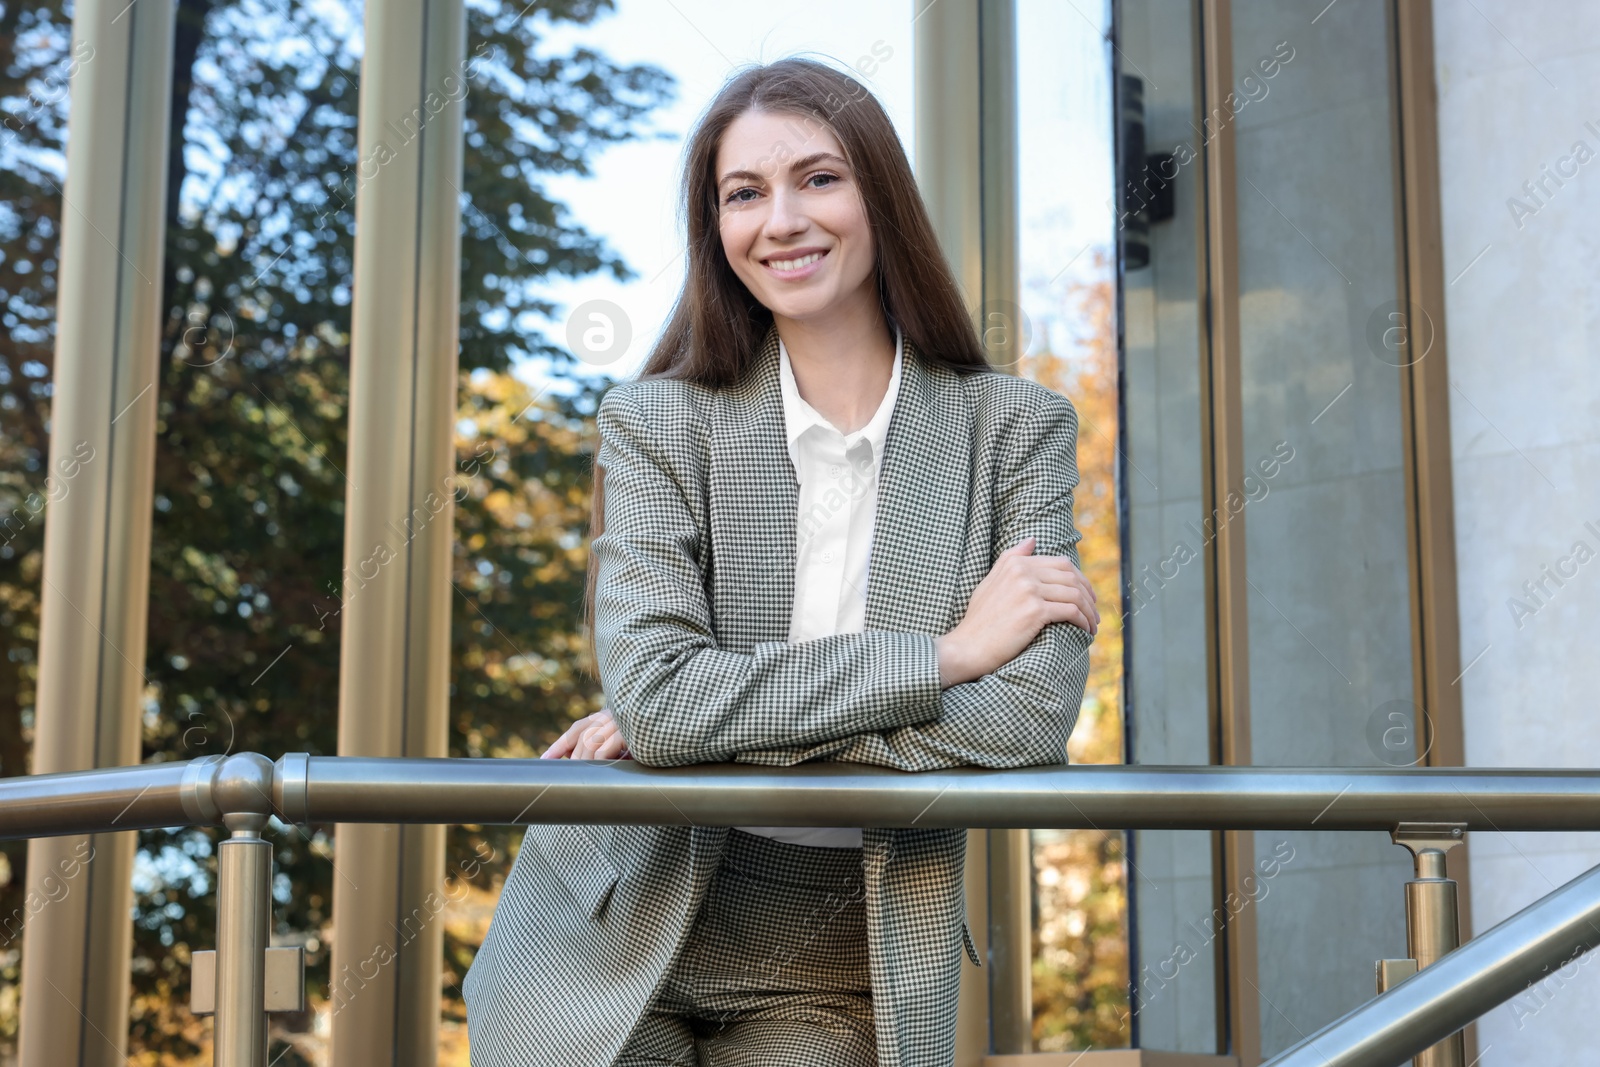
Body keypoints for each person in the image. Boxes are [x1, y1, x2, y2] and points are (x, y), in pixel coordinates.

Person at [462, 56, 1099, 1067]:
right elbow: (661, 698)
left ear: (879, 196)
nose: (781, 220)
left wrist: (705, 725)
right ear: (716, 229)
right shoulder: (656, 423)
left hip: (843, 951)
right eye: (743, 194)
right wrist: (942, 655)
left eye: (818, 178)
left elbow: (1025, 722)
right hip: (611, 920)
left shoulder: (1013, 430)